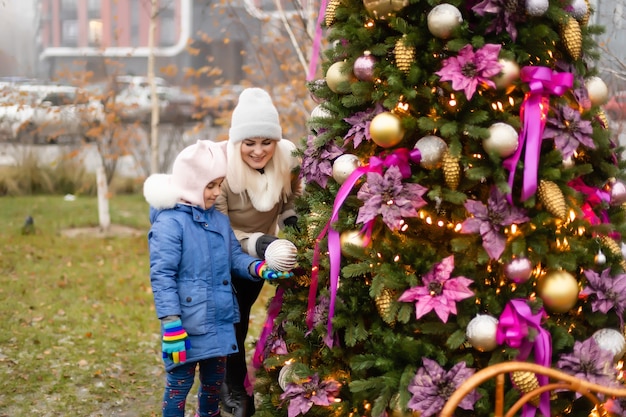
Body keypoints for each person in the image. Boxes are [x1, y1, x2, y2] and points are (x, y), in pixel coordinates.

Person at [143, 139, 291, 417]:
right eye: (209, 185)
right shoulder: (169, 224)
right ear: (190, 183)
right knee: (180, 383)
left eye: (219, 184)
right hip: (187, 323)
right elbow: (162, 276)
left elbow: (234, 256)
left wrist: (258, 268)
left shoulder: (219, 221)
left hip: (221, 319)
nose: (215, 192)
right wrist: (171, 323)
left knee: (212, 384)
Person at [215, 88, 302, 417]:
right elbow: (221, 231)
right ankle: (232, 387)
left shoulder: (287, 160)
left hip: (266, 256)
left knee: (243, 315)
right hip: (227, 256)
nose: (258, 150)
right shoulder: (222, 171)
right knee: (232, 319)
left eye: (266, 141)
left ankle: (231, 372)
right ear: (237, 142)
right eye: (249, 142)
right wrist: (259, 244)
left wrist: (292, 227)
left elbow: (290, 201)